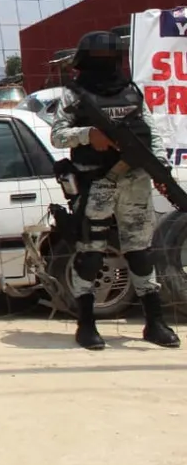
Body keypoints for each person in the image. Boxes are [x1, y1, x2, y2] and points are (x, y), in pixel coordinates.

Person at [49, 30, 179, 351]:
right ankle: (86, 324)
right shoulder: (74, 96)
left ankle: (155, 321)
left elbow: (151, 133)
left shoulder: (131, 92)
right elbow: (57, 136)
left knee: (140, 251)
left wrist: (160, 169)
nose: (105, 65)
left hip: (135, 183)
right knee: (91, 253)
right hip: (96, 183)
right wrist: (87, 135)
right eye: (100, 60)